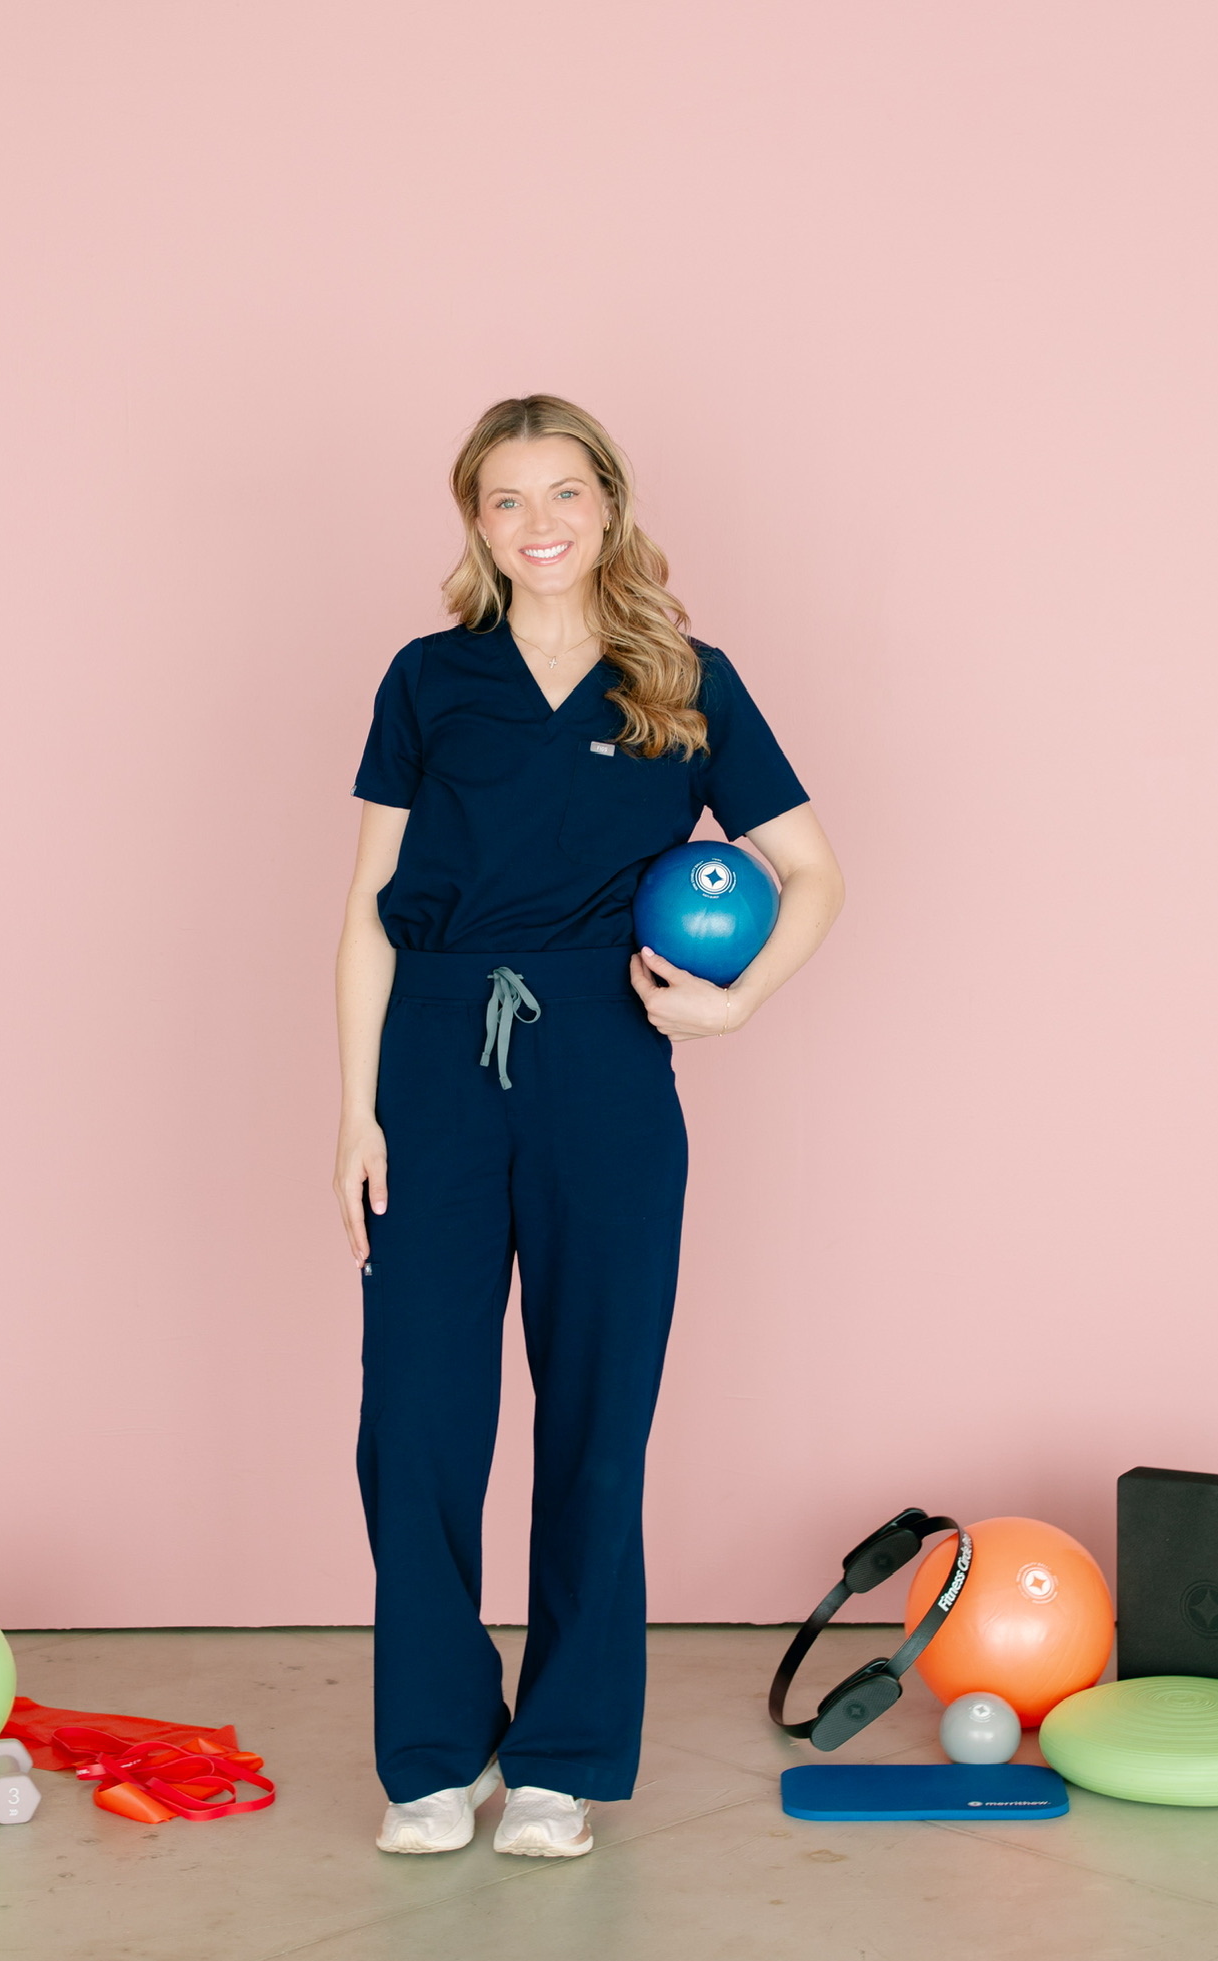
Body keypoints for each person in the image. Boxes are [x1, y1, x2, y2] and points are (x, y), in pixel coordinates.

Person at [333, 395, 844, 1859]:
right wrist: (354, 1110)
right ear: (476, 522)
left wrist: (735, 1007)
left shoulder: (684, 678)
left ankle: (559, 1760)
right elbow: (367, 911)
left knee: (597, 1420)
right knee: (414, 1425)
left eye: (564, 491)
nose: (539, 522)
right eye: (507, 499)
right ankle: (434, 1756)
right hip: (436, 1058)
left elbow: (813, 873)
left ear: (609, 504)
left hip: (609, 1065)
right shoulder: (429, 679)